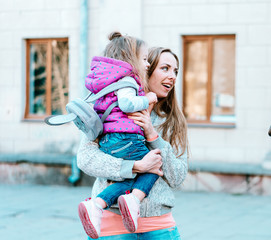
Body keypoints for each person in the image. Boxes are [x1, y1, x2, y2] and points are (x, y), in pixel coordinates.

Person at [77, 46, 188, 240]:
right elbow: (85, 158)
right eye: (165, 68)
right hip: (112, 227)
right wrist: (135, 166)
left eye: (175, 71)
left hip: (159, 227)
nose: (172, 76)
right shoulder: (112, 110)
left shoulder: (174, 121)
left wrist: (153, 136)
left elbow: (177, 176)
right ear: (146, 69)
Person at [78, 31, 159, 239]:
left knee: (126, 177)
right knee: (154, 166)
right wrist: (148, 98)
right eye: (143, 59)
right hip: (126, 138)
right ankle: (134, 200)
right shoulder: (127, 80)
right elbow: (127, 104)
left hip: (109, 141)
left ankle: (96, 204)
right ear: (130, 59)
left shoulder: (108, 82)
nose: (147, 64)